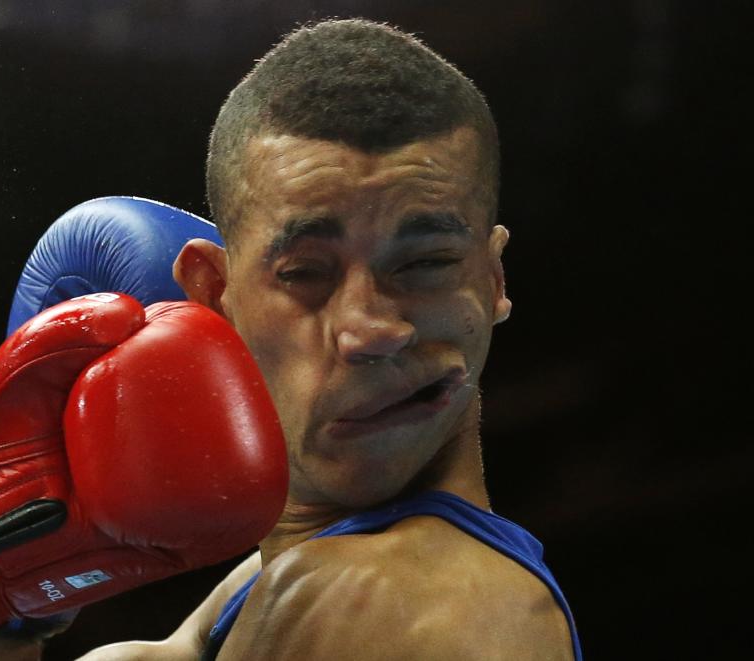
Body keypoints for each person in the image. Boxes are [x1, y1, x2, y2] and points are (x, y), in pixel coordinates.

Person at [75, 17, 581, 661]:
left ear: (493, 277)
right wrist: (10, 605)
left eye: (424, 264)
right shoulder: (278, 586)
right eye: (306, 274)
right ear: (212, 298)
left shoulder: (411, 608)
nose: (371, 331)